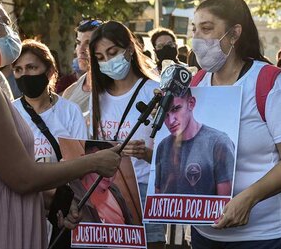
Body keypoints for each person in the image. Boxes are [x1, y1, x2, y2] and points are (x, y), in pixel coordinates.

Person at [0, 0, 120, 248]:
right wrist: (94, 162)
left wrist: (54, 200)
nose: (11, 32)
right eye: (6, 23)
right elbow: (22, 177)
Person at [190, 0, 281, 248]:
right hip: (206, 232)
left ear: (234, 34)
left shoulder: (271, 83)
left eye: (207, 29)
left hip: (265, 235)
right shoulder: (195, 84)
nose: (198, 38)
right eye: (195, 29)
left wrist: (248, 199)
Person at [89, 21, 165, 248]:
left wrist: (145, 153)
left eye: (112, 53)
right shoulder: (98, 97)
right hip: (107, 195)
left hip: (146, 193)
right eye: (100, 57)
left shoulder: (155, 90)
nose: (107, 61)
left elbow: (175, 156)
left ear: (130, 49)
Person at [12, 39, 87, 162]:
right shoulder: (9, 112)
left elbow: (80, 161)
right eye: (18, 70)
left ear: (50, 71)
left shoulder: (70, 111)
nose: (24, 74)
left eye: (31, 67)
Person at [155, 89, 235, 195]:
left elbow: (225, 203)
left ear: (191, 103)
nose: (171, 121)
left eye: (176, 109)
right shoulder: (163, 146)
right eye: (165, 115)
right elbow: (157, 201)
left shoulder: (218, 143)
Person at [71, 141, 134, 225]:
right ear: (84, 160)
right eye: (100, 164)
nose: (108, 174)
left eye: (113, 167)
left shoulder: (115, 191)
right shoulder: (72, 192)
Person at [63, 19, 103, 114]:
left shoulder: (115, 89)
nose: (81, 50)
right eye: (78, 43)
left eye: (88, 43)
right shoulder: (70, 91)